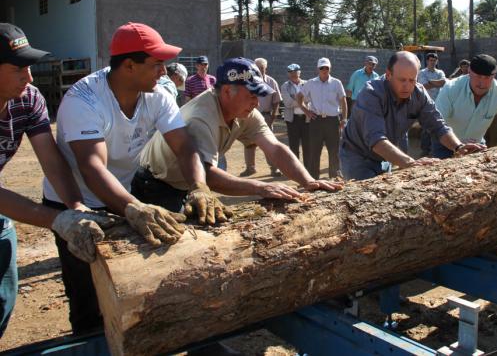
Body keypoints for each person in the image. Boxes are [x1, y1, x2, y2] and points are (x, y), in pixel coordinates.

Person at [42, 22, 221, 334]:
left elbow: (184, 146)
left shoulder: (157, 95)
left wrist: (199, 186)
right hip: (75, 204)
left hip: (123, 195)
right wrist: (133, 208)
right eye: (156, 65)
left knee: (134, 283)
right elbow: (92, 168)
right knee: (87, 293)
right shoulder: (83, 100)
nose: (164, 73)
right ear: (128, 65)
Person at [0, 23, 120, 337]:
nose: (28, 77)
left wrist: (76, 209)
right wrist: (58, 220)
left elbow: (51, 160)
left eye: (29, 67)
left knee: (2, 296)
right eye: (18, 69)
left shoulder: (27, 99)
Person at [135, 58, 342, 209]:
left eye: (259, 96)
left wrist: (308, 182)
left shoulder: (245, 110)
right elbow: (207, 174)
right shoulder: (200, 118)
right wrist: (260, 187)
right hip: (156, 186)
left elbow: (276, 148)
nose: (257, 102)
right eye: (252, 95)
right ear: (227, 91)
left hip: (186, 185)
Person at [340, 51, 481, 181]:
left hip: (384, 157)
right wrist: (411, 164)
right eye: (402, 80)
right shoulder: (371, 94)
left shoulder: (419, 93)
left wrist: (458, 147)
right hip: (357, 156)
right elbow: (376, 140)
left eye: (412, 80)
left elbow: (438, 127)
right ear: (388, 75)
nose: (407, 86)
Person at [297, 58, 347, 179]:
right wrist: (306, 111)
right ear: (317, 69)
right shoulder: (310, 83)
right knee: (314, 150)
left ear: (330, 68)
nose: (324, 70)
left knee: (334, 150)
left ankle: (334, 176)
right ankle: (313, 178)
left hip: (332, 121)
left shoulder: (336, 83)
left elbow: (343, 101)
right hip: (316, 121)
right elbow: (299, 97)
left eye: (326, 68)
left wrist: (344, 118)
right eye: (322, 68)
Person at [241, 58, 281, 177]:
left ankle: (274, 168)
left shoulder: (271, 82)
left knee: (269, 143)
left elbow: (276, 100)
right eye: (257, 68)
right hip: (250, 116)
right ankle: (250, 168)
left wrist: (274, 116)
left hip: (266, 116)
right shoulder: (247, 81)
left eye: (262, 68)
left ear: (265, 68)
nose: (259, 70)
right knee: (249, 143)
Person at [280, 63, 310, 169]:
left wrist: (296, 99)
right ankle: (296, 169)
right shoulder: (284, 86)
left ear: (300, 72)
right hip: (292, 120)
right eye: (291, 72)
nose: (293, 74)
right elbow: (288, 103)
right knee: (294, 146)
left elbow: (311, 99)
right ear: (288, 74)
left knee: (307, 145)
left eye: (295, 71)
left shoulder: (307, 84)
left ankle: (307, 168)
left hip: (306, 119)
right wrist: (303, 100)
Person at [417, 52, 446, 156]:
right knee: (426, 128)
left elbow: (443, 82)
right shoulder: (421, 73)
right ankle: (425, 151)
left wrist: (431, 82)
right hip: (426, 103)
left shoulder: (440, 72)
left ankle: (436, 149)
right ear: (427, 61)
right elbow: (424, 86)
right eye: (431, 60)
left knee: (439, 125)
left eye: (434, 60)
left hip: (439, 103)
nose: (432, 62)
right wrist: (436, 83)